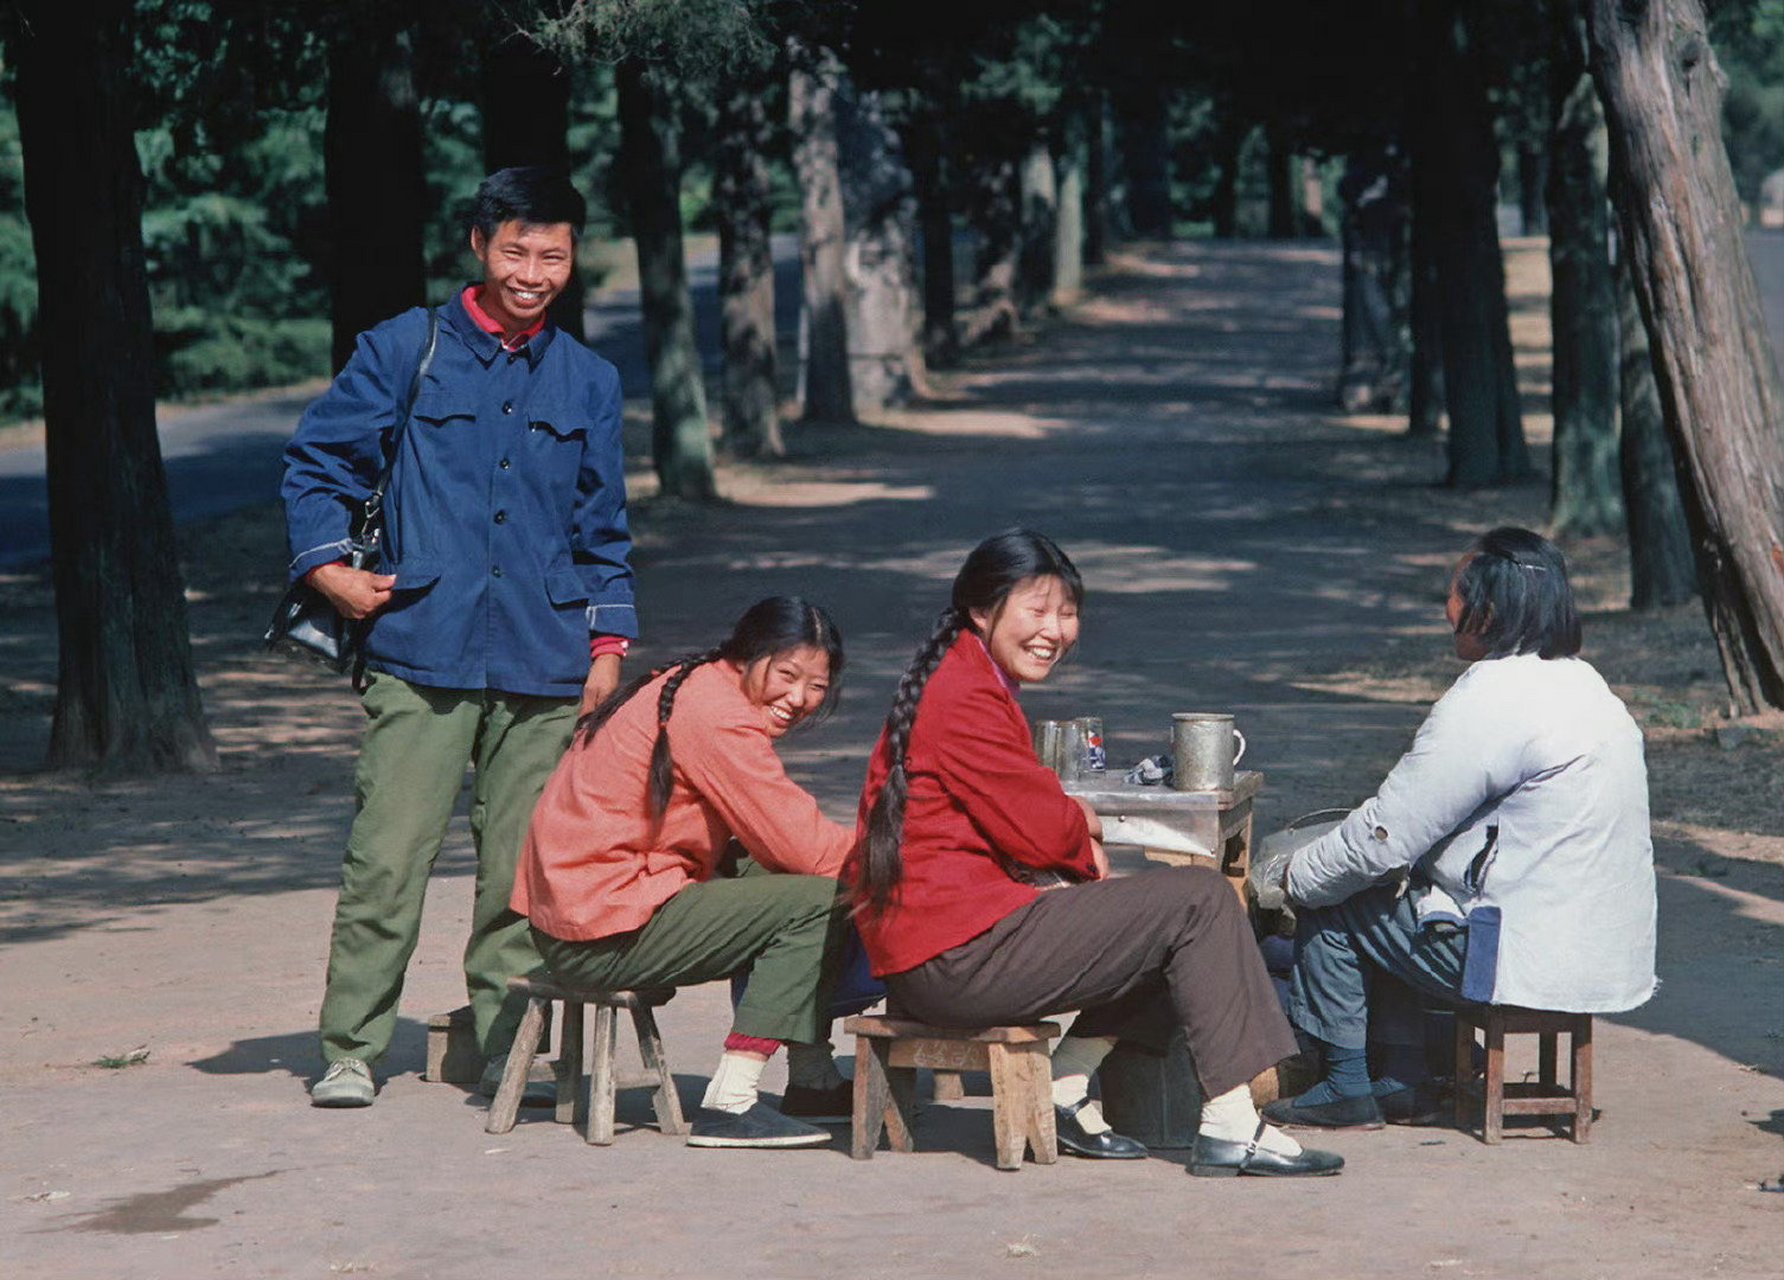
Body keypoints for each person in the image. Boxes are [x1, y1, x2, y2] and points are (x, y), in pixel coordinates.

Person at [285, 167, 637, 1108]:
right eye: (515, 251)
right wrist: (329, 570)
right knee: (388, 855)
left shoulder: (591, 380)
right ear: (477, 247)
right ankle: (352, 1047)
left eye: (552, 255)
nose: (532, 271)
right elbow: (318, 462)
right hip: (419, 648)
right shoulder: (406, 348)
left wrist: (607, 647)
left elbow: (603, 530)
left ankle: (505, 1047)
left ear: (572, 260)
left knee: (521, 871)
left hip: (546, 656)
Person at [850, 530, 1342, 1178]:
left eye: (1067, 612)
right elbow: (1038, 830)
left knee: (1160, 915)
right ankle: (1231, 1122)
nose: (1054, 630)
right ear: (980, 609)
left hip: (943, 947)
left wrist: (1071, 825)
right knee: (1198, 899)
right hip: (954, 958)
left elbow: (1021, 811)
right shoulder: (964, 696)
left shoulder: (962, 678)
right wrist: (1081, 830)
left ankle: (1064, 1087)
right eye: (1037, 609)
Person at [1264, 527, 1657, 1130]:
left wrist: (1298, 877)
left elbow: (1385, 835)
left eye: (1453, 593)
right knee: (1398, 899)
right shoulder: (1586, 686)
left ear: (1488, 610)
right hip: (1602, 952)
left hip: (1526, 956)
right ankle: (1402, 1079)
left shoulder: (1493, 699)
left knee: (1339, 897)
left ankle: (1346, 1085)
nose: (1446, 608)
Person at [514, 597, 858, 1149]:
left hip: (582, 910)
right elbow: (807, 849)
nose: (798, 699)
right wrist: (910, 858)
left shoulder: (697, 682)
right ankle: (732, 1102)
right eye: (787, 675)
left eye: (815, 686)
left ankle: (812, 1077)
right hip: (601, 931)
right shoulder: (717, 714)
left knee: (763, 870)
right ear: (748, 654)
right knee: (818, 899)